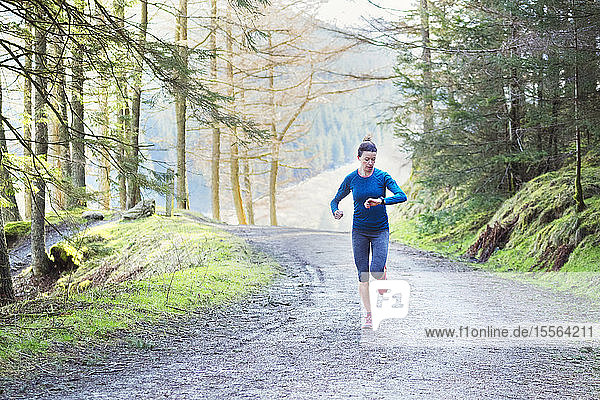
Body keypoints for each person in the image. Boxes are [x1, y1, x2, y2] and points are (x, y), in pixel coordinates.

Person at [330, 135, 407, 329]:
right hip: (359, 232)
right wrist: (336, 211)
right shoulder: (352, 179)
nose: (370, 163)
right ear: (359, 158)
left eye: (373, 159)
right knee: (363, 274)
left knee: (376, 270)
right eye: (367, 159)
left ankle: (382, 275)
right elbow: (334, 200)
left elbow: (401, 196)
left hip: (380, 230)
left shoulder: (382, 176)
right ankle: (369, 315)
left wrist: (381, 200)